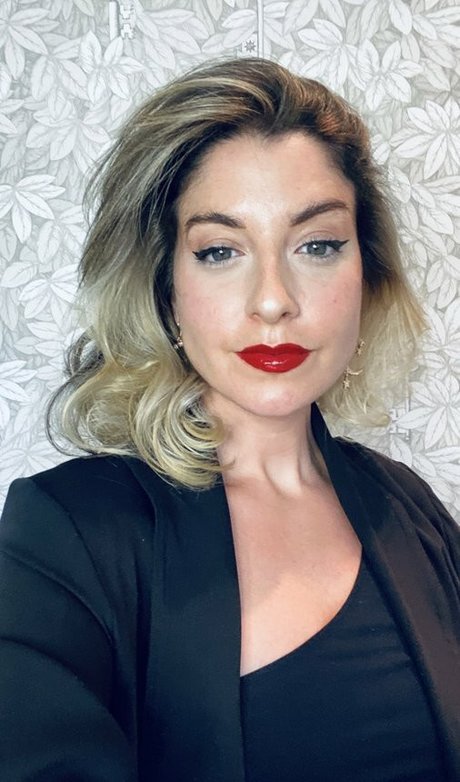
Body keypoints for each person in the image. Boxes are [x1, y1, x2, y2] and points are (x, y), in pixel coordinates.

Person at [0, 57, 458, 782]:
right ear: (166, 290)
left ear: (366, 273)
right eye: (219, 251)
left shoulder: (412, 509)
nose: (273, 300)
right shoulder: (66, 533)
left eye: (317, 245)